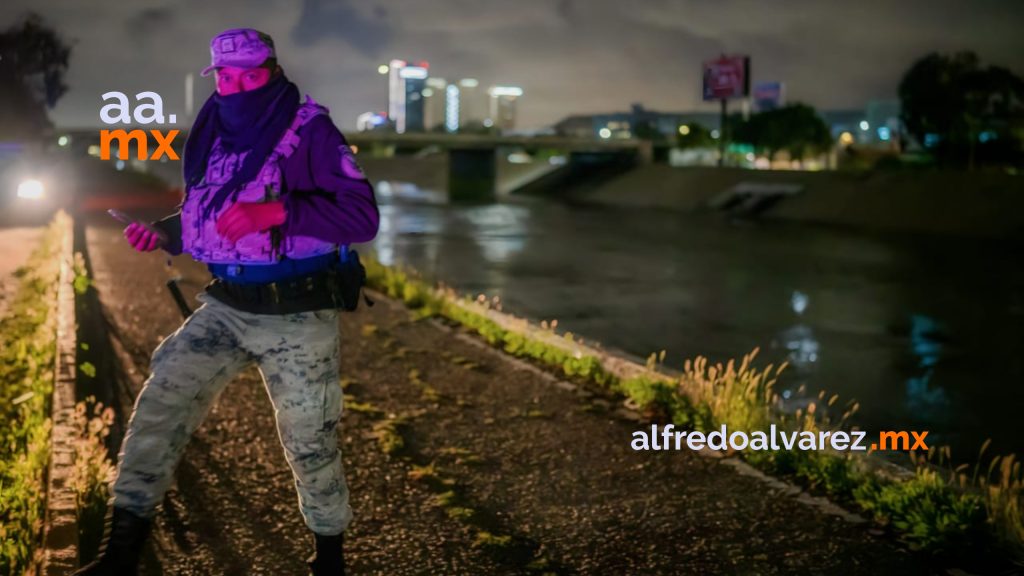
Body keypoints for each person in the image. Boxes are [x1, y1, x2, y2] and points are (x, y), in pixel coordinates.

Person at [74, 28, 378, 576]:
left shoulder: (311, 131)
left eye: (251, 76)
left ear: (274, 73)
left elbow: (362, 217)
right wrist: (166, 234)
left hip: (299, 312)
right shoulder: (214, 130)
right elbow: (211, 213)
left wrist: (280, 211)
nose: (237, 88)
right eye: (227, 77)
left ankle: (329, 560)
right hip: (228, 305)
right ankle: (118, 559)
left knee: (310, 443)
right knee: (158, 407)